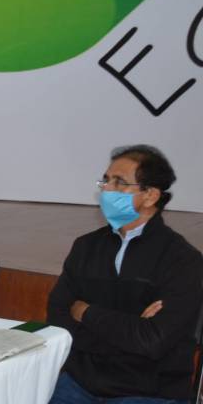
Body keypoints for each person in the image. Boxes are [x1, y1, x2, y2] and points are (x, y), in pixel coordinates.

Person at [48, 145, 203, 403]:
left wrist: (86, 312)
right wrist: (132, 330)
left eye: (119, 183)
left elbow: (153, 342)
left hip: (148, 391)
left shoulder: (182, 260)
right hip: (81, 382)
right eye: (106, 181)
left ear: (150, 195)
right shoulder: (86, 247)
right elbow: (58, 318)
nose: (107, 190)